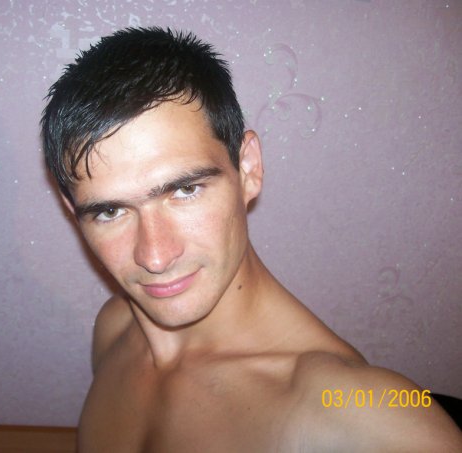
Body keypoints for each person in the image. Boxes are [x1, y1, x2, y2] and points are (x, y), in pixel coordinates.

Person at [41, 27, 461, 452]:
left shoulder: (367, 417)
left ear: (248, 168)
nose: (155, 256)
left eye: (185, 189)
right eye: (110, 211)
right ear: (72, 210)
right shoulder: (114, 328)